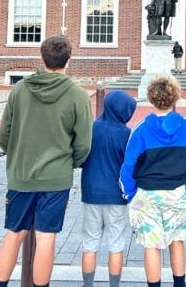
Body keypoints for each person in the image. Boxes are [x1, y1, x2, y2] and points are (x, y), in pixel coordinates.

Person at [0, 35, 93, 287]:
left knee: (14, 233)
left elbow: (4, 134)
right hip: (55, 178)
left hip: (22, 174)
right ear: (68, 60)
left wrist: (17, 156)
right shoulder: (77, 95)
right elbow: (83, 143)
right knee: (46, 237)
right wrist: (68, 164)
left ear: (42, 58)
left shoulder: (20, 89)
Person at [120, 74, 186, 287]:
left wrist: (130, 192)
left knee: (151, 245)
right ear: (175, 97)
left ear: (151, 98)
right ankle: (179, 283)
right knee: (177, 240)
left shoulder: (141, 130)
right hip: (179, 191)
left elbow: (128, 166)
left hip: (147, 193)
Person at [80, 90, 137, 287]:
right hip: (117, 196)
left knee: (89, 243)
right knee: (116, 244)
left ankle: (88, 284)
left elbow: (81, 156)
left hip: (91, 194)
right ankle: (114, 284)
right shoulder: (126, 134)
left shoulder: (91, 129)